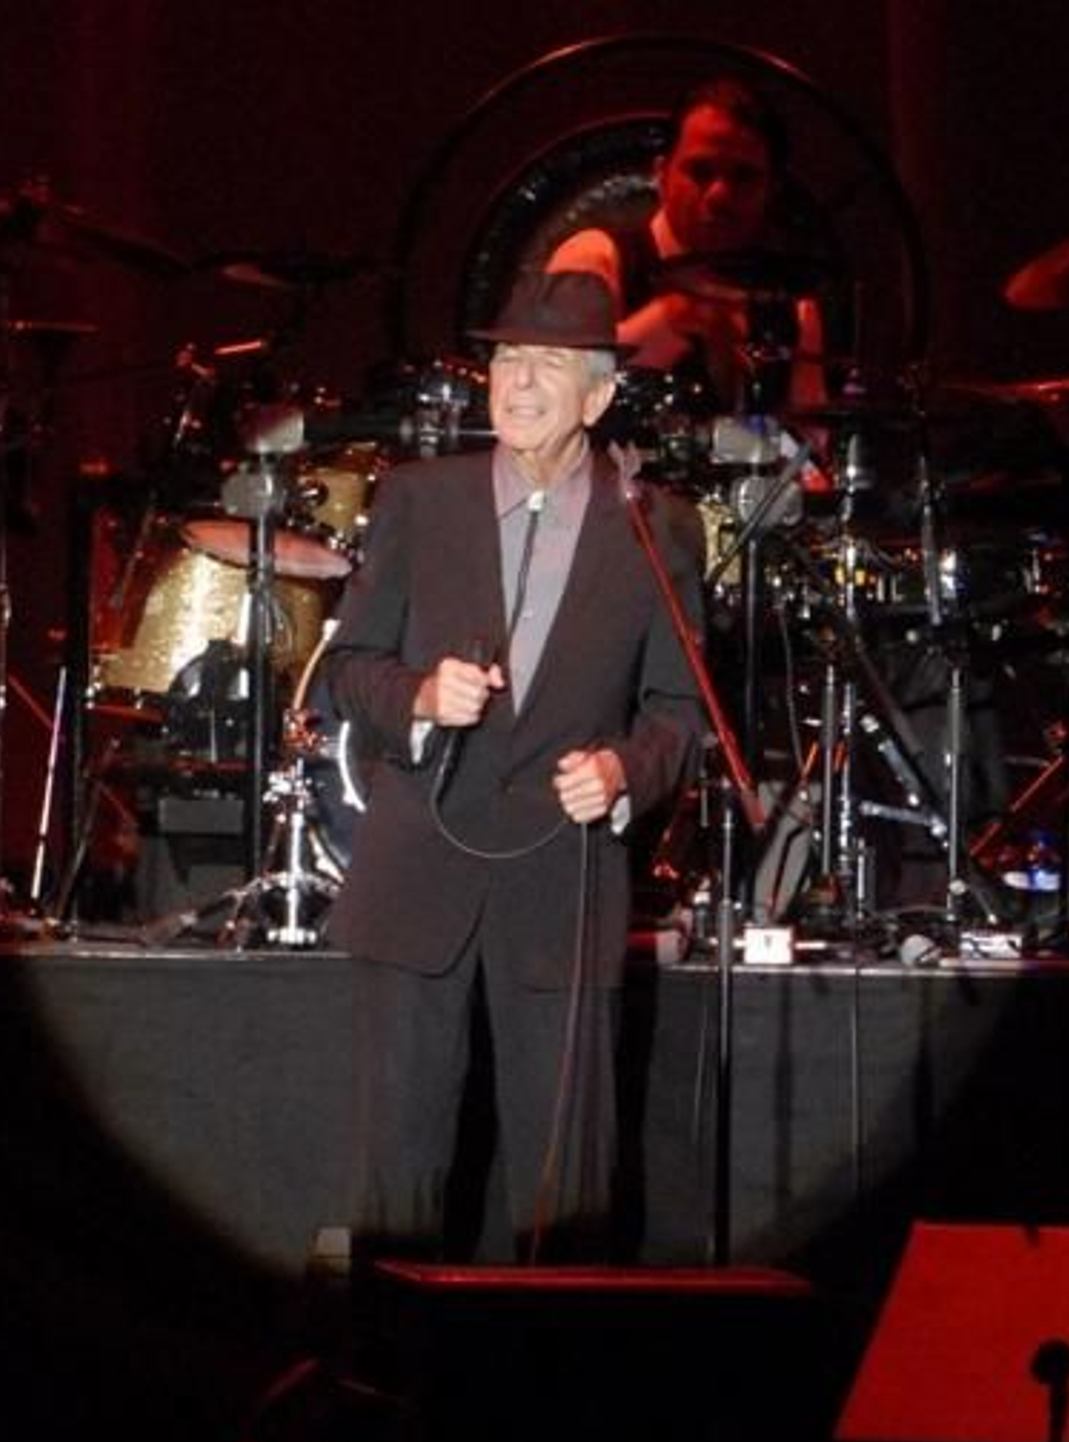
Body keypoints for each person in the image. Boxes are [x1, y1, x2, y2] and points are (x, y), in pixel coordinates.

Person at [320, 270, 708, 1265]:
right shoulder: (419, 498)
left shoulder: (654, 524)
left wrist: (624, 770)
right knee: (395, 1178)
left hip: (560, 874)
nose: (519, 382)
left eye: (547, 364)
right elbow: (348, 670)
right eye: (504, 360)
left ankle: (546, 1401)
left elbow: (680, 706)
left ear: (597, 394)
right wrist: (417, 696)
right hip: (419, 873)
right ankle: (377, 1392)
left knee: (564, 1188)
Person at [545, 76, 828, 418]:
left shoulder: (793, 307)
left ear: (772, 189)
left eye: (743, 177)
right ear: (662, 174)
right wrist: (658, 327)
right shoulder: (596, 257)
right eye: (700, 171)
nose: (719, 195)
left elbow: (811, 441)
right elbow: (548, 403)